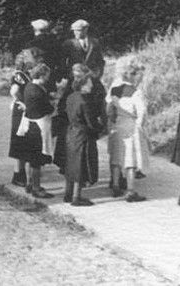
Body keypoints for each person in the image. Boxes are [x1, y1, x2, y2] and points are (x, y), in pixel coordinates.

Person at [62, 63, 106, 206]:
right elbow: (91, 122)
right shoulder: (85, 101)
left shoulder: (71, 97)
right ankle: (76, 197)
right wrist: (101, 129)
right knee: (81, 166)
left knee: (70, 164)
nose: (91, 85)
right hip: (83, 135)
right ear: (82, 85)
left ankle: (67, 194)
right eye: (88, 83)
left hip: (71, 132)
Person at [107, 56, 149, 202]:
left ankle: (116, 185)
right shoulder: (135, 92)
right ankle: (131, 191)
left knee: (116, 156)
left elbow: (109, 108)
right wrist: (140, 126)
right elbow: (141, 112)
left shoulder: (114, 91)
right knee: (130, 159)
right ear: (131, 76)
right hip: (130, 126)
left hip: (117, 125)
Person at [54, 63, 106, 174]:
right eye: (74, 76)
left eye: (78, 76)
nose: (76, 79)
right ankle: (66, 169)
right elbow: (64, 101)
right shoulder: (72, 84)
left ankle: (81, 177)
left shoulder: (94, 84)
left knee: (84, 155)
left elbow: (100, 104)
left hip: (85, 122)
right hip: (70, 121)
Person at [20, 63, 55, 198]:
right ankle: (36, 187)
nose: (48, 78)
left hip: (29, 124)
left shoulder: (29, 86)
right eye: (46, 75)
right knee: (37, 159)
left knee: (31, 158)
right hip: (38, 126)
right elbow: (48, 109)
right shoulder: (38, 91)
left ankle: (29, 183)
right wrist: (53, 106)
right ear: (41, 75)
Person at [8, 48, 41, 187]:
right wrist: (19, 101)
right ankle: (19, 175)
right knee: (20, 141)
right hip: (22, 110)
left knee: (21, 141)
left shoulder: (24, 74)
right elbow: (14, 90)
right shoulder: (20, 75)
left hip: (22, 109)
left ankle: (20, 174)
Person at [27, 19, 64, 83]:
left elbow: (29, 61)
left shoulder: (32, 44)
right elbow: (60, 59)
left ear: (35, 30)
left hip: (36, 75)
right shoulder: (55, 42)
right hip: (51, 75)